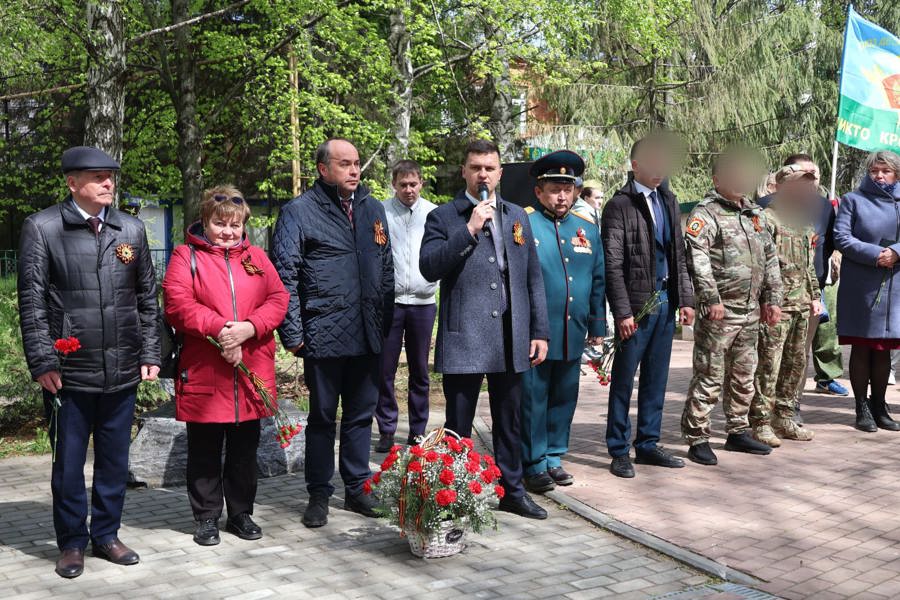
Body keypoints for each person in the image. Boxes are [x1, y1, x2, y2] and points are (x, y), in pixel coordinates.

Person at [17, 146, 161, 578]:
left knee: (115, 461)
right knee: (68, 463)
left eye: (111, 176)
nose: (108, 183)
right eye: (98, 176)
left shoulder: (130, 230)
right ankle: (71, 543)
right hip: (69, 373)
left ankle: (107, 536)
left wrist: (151, 352)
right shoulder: (42, 228)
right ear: (72, 183)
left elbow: (147, 300)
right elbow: (32, 301)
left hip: (121, 370)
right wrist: (44, 360)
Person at [420, 138, 550, 519]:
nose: (482, 174)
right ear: (464, 171)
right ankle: (454, 493)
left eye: (489, 168)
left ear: (499, 172)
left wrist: (538, 330)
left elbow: (532, 277)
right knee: (459, 424)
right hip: (466, 338)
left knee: (510, 421)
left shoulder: (517, 215)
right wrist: (470, 229)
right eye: (475, 167)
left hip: (511, 337)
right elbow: (429, 268)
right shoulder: (444, 216)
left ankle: (512, 490)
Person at [272, 138, 394, 528]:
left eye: (357, 163)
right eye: (345, 164)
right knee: (323, 418)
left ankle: (357, 488)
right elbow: (284, 275)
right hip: (322, 334)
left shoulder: (373, 209)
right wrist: (293, 332)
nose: (355, 171)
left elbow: (386, 268)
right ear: (323, 169)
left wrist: (385, 323)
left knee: (360, 416)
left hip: (368, 334)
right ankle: (319, 494)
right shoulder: (299, 212)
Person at [163, 186, 289, 546]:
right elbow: (177, 304)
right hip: (207, 370)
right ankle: (205, 517)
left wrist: (250, 328)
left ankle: (240, 513)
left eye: (235, 225)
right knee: (203, 448)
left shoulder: (257, 258)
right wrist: (220, 329)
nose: (228, 232)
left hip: (250, 368)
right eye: (220, 224)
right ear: (206, 221)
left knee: (243, 450)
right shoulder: (185, 256)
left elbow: (279, 298)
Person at [680, 148, 782, 465]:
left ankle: (737, 431)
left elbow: (770, 258)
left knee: (743, 376)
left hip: (751, 312)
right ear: (717, 179)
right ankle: (697, 437)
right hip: (719, 313)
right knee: (709, 375)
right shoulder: (705, 214)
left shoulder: (755, 214)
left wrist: (773, 299)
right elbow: (697, 260)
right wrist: (711, 299)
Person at [602, 135, 695, 478]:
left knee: (656, 377)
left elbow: (679, 256)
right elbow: (612, 264)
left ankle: (648, 444)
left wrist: (686, 299)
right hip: (637, 305)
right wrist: (623, 312)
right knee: (625, 379)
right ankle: (618, 448)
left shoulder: (668, 200)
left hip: (666, 301)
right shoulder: (619, 206)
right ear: (636, 165)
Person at [520, 151, 606, 492]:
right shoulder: (524, 223)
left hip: (573, 330)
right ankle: (534, 462)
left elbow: (597, 279)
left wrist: (597, 326)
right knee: (534, 398)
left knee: (564, 396)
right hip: (537, 332)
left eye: (568, 189)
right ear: (539, 191)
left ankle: (555, 457)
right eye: (555, 189)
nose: (562, 196)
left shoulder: (586, 228)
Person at [758, 154, 846, 399]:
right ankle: (763, 413)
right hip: (774, 298)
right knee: (770, 356)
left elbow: (820, 250)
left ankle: (790, 408)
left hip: (808, 296)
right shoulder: (764, 208)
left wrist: (817, 292)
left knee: (798, 355)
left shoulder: (824, 208)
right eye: (801, 177)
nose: (808, 184)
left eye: (812, 178)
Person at [749, 166, 822, 447]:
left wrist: (815, 296)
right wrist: (768, 301)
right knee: (769, 365)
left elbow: (808, 266)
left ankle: (784, 417)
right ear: (782, 186)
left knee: (795, 366)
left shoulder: (804, 221)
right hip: (776, 307)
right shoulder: (765, 219)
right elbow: (761, 267)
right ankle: (760, 422)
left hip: (802, 305)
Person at [833, 150, 900, 432]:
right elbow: (841, 237)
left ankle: (879, 404)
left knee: (883, 350)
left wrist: (896, 252)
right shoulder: (853, 200)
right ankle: (861, 406)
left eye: (886, 171)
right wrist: (876, 254)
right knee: (862, 347)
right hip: (862, 285)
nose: (880, 176)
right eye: (875, 171)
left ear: (896, 173)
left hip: (895, 286)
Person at [374, 160, 438, 452]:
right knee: (384, 369)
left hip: (423, 303)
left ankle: (417, 431)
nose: (409, 190)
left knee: (419, 371)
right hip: (392, 302)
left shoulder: (434, 213)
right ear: (394, 185)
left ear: (422, 183)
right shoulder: (380, 212)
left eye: (413, 184)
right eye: (403, 185)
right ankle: (387, 428)